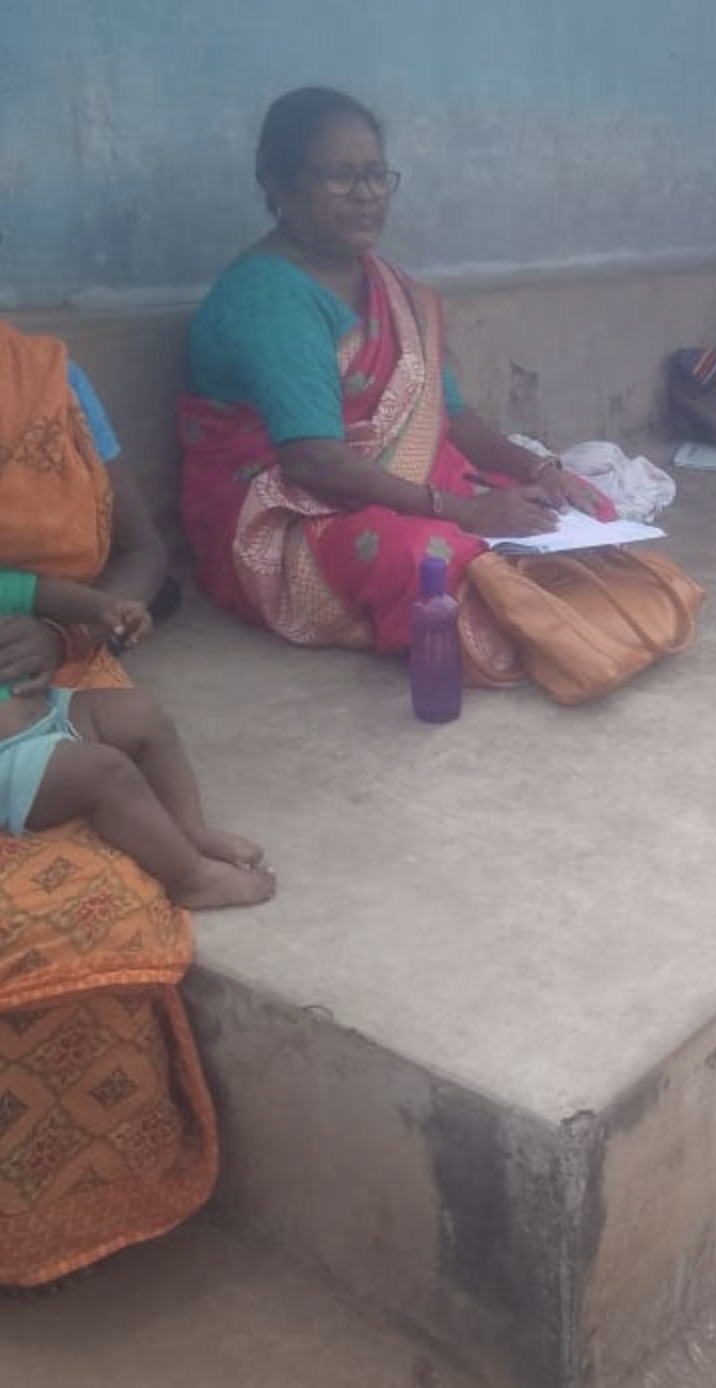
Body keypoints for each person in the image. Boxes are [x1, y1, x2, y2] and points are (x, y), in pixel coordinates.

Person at [180, 87, 615, 682]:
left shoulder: (392, 286)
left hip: (391, 483)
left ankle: (558, 599)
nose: (364, 196)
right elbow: (314, 462)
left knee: (573, 506)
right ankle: (552, 621)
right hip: (288, 511)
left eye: (376, 176)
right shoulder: (270, 296)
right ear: (278, 183)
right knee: (433, 563)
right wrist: (465, 512)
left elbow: (452, 418)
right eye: (340, 177)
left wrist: (541, 469)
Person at [0, 319, 217, 1287]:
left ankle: (97, 1198)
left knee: (114, 894)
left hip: (54, 679)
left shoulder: (47, 380)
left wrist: (66, 622)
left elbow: (140, 557)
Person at [0, 573, 273, 909]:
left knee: (141, 714)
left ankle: (190, 829)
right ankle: (189, 877)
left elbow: (44, 594)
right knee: (103, 771)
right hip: (8, 765)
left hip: (46, 711)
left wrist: (109, 608)